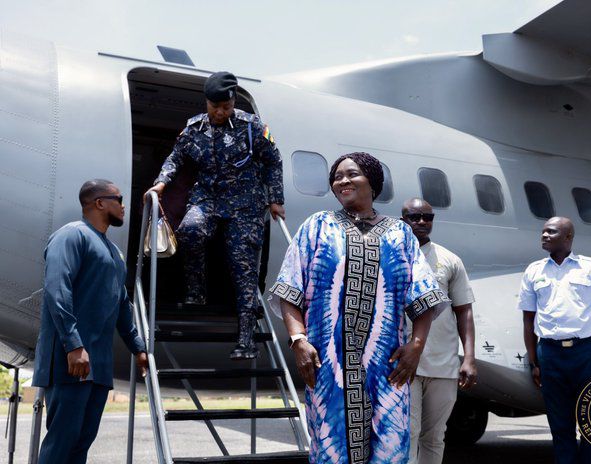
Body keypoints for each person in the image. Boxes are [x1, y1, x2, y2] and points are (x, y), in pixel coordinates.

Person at [269, 152, 450, 464]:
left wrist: (417, 345)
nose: (343, 181)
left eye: (352, 174)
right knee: (330, 447)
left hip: (387, 369)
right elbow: (289, 288)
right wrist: (298, 340)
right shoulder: (317, 227)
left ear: (372, 182)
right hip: (327, 366)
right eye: (337, 177)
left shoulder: (400, 234)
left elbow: (424, 296)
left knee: (390, 447)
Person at [146, 71, 285, 360]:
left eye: (226, 107)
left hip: (245, 203)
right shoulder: (194, 128)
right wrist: (161, 183)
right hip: (207, 196)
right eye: (215, 107)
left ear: (233, 102)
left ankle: (246, 341)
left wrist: (275, 199)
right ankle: (196, 289)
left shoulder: (252, 126)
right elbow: (175, 158)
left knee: (243, 267)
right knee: (191, 230)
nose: (220, 112)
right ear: (206, 102)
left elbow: (273, 161)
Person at [32, 179, 148, 464]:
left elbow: (121, 304)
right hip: (70, 361)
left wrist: (138, 348)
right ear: (99, 202)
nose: (123, 206)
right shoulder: (71, 236)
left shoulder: (114, 252)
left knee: (81, 443)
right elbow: (57, 290)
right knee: (62, 442)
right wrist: (73, 345)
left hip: (98, 365)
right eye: (119, 199)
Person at [517, 217, 591, 464]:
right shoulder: (534, 271)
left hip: (586, 353)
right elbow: (528, 320)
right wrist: (534, 362)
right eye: (543, 231)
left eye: (551, 232)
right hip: (550, 354)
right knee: (560, 425)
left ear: (568, 237)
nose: (544, 235)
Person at [401, 198, 477, 464]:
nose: (422, 221)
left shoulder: (449, 260)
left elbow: (464, 311)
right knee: (407, 432)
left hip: (442, 364)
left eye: (428, 217)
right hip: (403, 363)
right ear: (403, 221)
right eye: (414, 217)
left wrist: (469, 358)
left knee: (434, 436)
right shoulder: (390, 256)